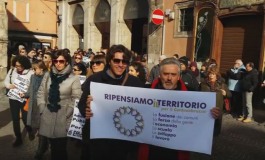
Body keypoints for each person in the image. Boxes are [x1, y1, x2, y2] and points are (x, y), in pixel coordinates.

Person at [138, 57, 221, 160]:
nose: (169, 78)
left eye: (173, 74)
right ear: (159, 75)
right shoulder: (145, 92)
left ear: (179, 76)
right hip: (151, 152)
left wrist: (213, 116)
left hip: (177, 154)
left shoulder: (192, 95)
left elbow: (205, 126)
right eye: (165, 74)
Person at [78, 44, 144, 160]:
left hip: (122, 143)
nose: (120, 64)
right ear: (109, 61)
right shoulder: (94, 79)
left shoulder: (135, 83)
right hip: (98, 141)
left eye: (125, 61)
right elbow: (82, 104)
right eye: (117, 60)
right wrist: (86, 110)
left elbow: (142, 110)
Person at [37, 50, 82, 160]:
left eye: (61, 61)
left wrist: (68, 112)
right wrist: (42, 108)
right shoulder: (47, 75)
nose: (58, 63)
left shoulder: (74, 78)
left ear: (66, 62)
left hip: (63, 117)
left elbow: (77, 97)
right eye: (55, 61)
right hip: (47, 114)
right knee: (53, 147)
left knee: (60, 148)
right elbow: (41, 93)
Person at [19, 60, 49, 159]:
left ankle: (40, 151)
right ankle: (43, 146)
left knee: (42, 130)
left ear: (41, 68)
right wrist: (24, 94)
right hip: (33, 107)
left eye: (34, 69)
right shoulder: (33, 77)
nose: (33, 71)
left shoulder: (48, 77)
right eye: (32, 69)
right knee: (36, 127)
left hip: (43, 107)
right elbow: (30, 91)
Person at [4, 55, 34, 147]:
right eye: (16, 66)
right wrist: (9, 86)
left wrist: (26, 92)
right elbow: (6, 82)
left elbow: (32, 87)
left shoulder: (31, 73)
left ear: (24, 65)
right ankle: (18, 138)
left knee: (25, 118)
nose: (18, 68)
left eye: (19, 66)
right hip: (13, 98)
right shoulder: (12, 70)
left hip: (24, 99)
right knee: (15, 119)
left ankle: (29, 130)